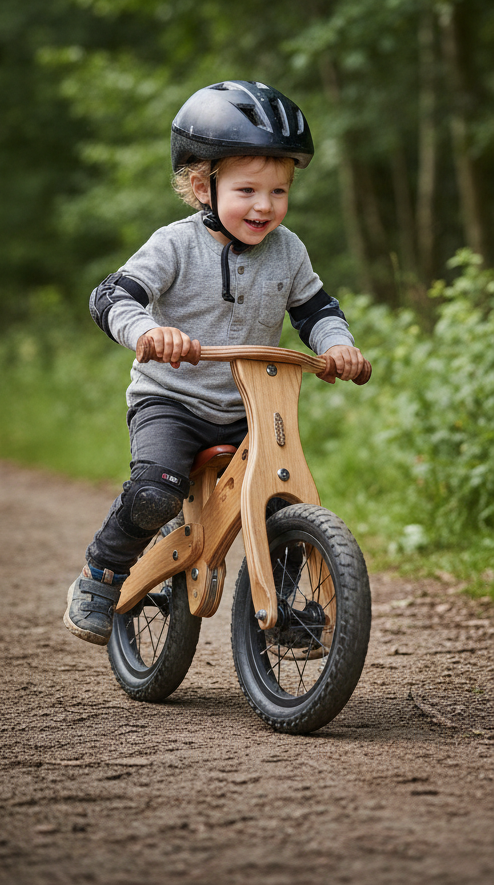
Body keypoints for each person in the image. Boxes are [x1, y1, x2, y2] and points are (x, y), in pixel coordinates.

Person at [64, 80, 368, 645]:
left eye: (279, 192)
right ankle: (102, 573)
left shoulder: (290, 250)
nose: (265, 206)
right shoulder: (175, 245)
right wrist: (149, 332)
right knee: (155, 490)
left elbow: (317, 309)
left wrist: (337, 345)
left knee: (285, 493)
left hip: (252, 404)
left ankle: (280, 608)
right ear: (203, 186)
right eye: (248, 189)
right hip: (172, 400)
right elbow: (111, 295)